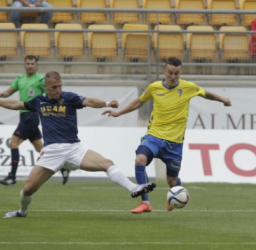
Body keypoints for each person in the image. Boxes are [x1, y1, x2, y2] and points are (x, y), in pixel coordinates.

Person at [0, 71, 156, 218]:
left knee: (107, 163)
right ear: (46, 87)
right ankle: (22, 211)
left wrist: (107, 103)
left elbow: (89, 101)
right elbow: (17, 105)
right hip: (51, 152)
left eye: (60, 86)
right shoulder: (39, 101)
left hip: (74, 149)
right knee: (28, 189)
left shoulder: (69, 98)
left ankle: (133, 188)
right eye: (54, 87)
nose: (58, 90)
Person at [102, 57, 231, 214]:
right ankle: (145, 202)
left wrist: (223, 99)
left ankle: (174, 194)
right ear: (164, 72)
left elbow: (205, 93)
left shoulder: (188, 87)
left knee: (172, 181)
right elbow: (138, 102)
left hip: (174, 143)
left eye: (176, 73)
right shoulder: (154, 88)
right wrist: (119, 113)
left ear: (180, 73)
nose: (173, 77)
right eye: (170, 73)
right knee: (140, 159)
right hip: (154, 136)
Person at [0, 55, 70, 186]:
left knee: (13, 144)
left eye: (32, 63)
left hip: (31, 116)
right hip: (24, 116)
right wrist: (2, 94)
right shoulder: (20, 79)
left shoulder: (40, 80)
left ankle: (11, 177)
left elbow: (52, 94)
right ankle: (64, 167)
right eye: (28, 63)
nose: (30, 66)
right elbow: (10, 91)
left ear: (36, 65)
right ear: (24, 64)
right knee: (42, 149)